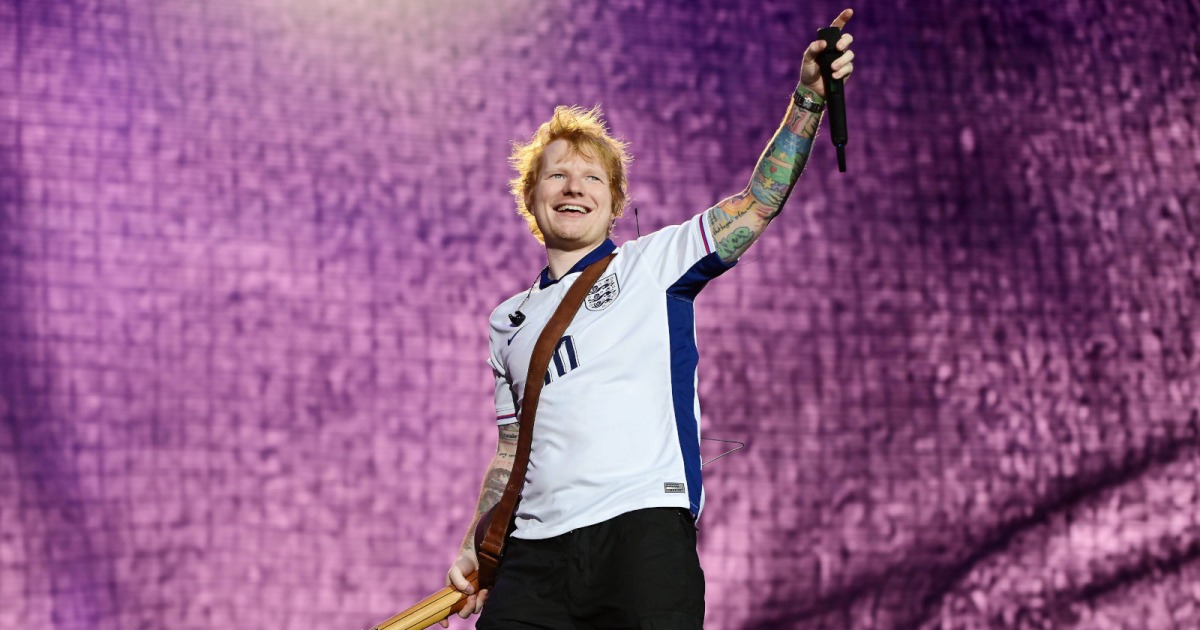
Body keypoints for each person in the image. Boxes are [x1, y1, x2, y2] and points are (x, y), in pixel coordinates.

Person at [441, 9, 856, 628]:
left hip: (641, 533)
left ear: (614, 204)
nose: (573, 186)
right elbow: (511, 447)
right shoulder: (508, 319)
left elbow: (758, 202)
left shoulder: (654, 263)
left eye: (592, 177)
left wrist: (808, 99)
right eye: (557, 174)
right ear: (531, 197)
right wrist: (481, 544)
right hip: (532, 558)